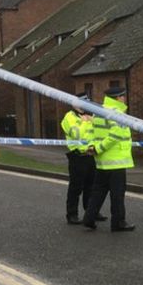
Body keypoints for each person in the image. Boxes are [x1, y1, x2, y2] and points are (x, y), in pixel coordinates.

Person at [83, 85, 136, 232]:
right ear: (118, 98)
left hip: (102, 161)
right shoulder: (117, 113)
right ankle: (118, 222)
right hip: (116, 160)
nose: (124, 99)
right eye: (123, 96)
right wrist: (99, 148)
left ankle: (89, 218)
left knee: (98, 191)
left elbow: (93, 134)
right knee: (117, 194)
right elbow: (116, 135)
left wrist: (94, 147)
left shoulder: (98, 112)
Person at [60, 93, 105, 225]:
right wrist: (87, 123)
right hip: (77, 156)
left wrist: (91, 122)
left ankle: (91, 212)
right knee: (76, 187)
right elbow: (77, 134)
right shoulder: (69, 117)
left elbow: (99, 132)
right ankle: (72, 214)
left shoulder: (91, 115)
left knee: (91, 186)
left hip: (92, 155)